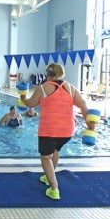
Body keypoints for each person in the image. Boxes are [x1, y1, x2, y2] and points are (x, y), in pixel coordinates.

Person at [19, 63, 95, 200]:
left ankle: (54, 188)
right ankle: (49, 176)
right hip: (67, 131)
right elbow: (83, 105)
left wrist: (23, 97)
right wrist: (88, 122)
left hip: (49, 130)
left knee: (45, 157)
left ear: (48, 74)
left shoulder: (43, 88)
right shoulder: (71, 88)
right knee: (55, 151)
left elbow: (30, 104)